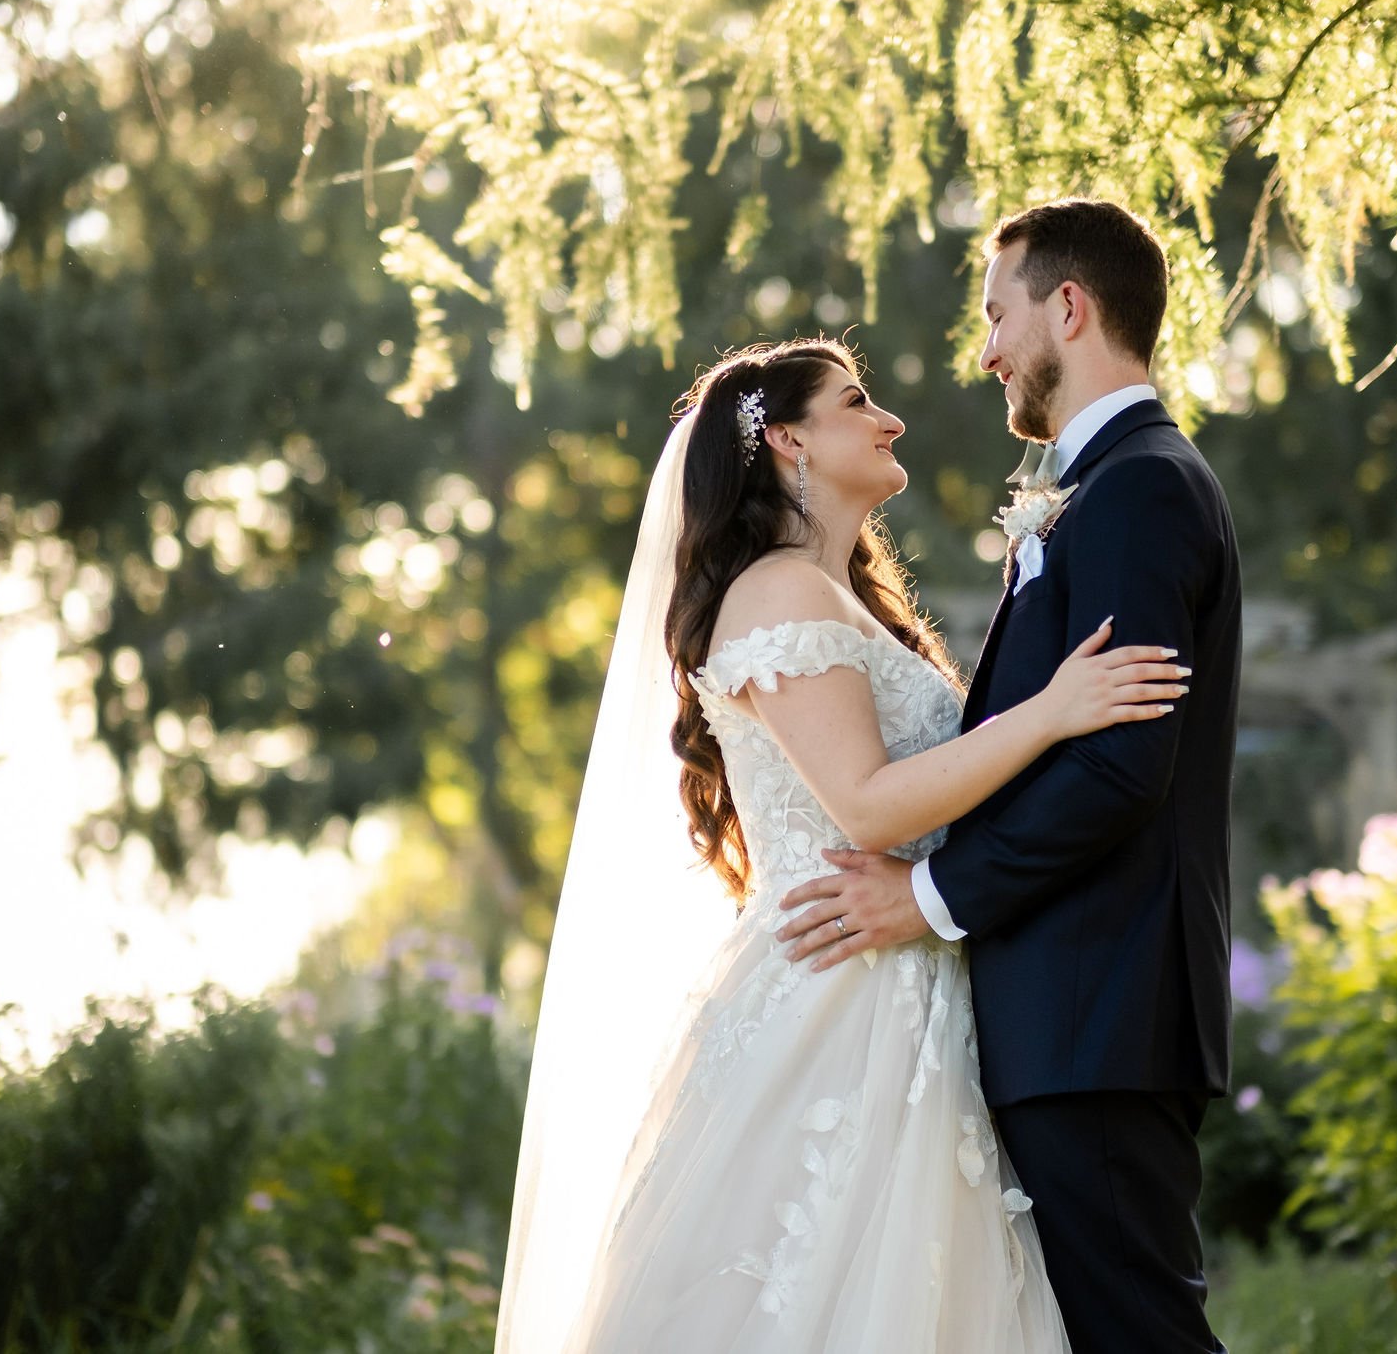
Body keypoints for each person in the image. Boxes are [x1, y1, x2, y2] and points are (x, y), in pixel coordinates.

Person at [494, 336, 1195, 1353]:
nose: (890, 419)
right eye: (854, 400)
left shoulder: (846, 603)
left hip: (899, 985)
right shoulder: (776, 592)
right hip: (835, 999)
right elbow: (868, 808)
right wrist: (1050, 714)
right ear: (787, 441)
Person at [777, 199, 1242, 1354]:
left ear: (1068, 309)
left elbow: (1120, 770)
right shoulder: (1105, 487)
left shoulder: (1138, 487)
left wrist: (923, 901)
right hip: (1071, 1012)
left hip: (1098, 1008)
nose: (984, 349)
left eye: (996, 315)